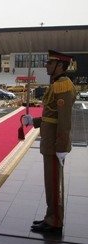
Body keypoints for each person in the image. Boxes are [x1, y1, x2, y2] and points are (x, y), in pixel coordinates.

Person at [22, 50, 76, 234]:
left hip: (55, 143)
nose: (46, 65)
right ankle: (50, 216)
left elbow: (64, 119)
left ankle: (55, 220)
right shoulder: (56, 84)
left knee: (54, 182)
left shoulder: (64, 85)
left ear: (60, 65)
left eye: (50, 63)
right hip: (49, 140)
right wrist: (33, 121)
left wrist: (62, 146)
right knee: (50, 182)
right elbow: (50, 115)